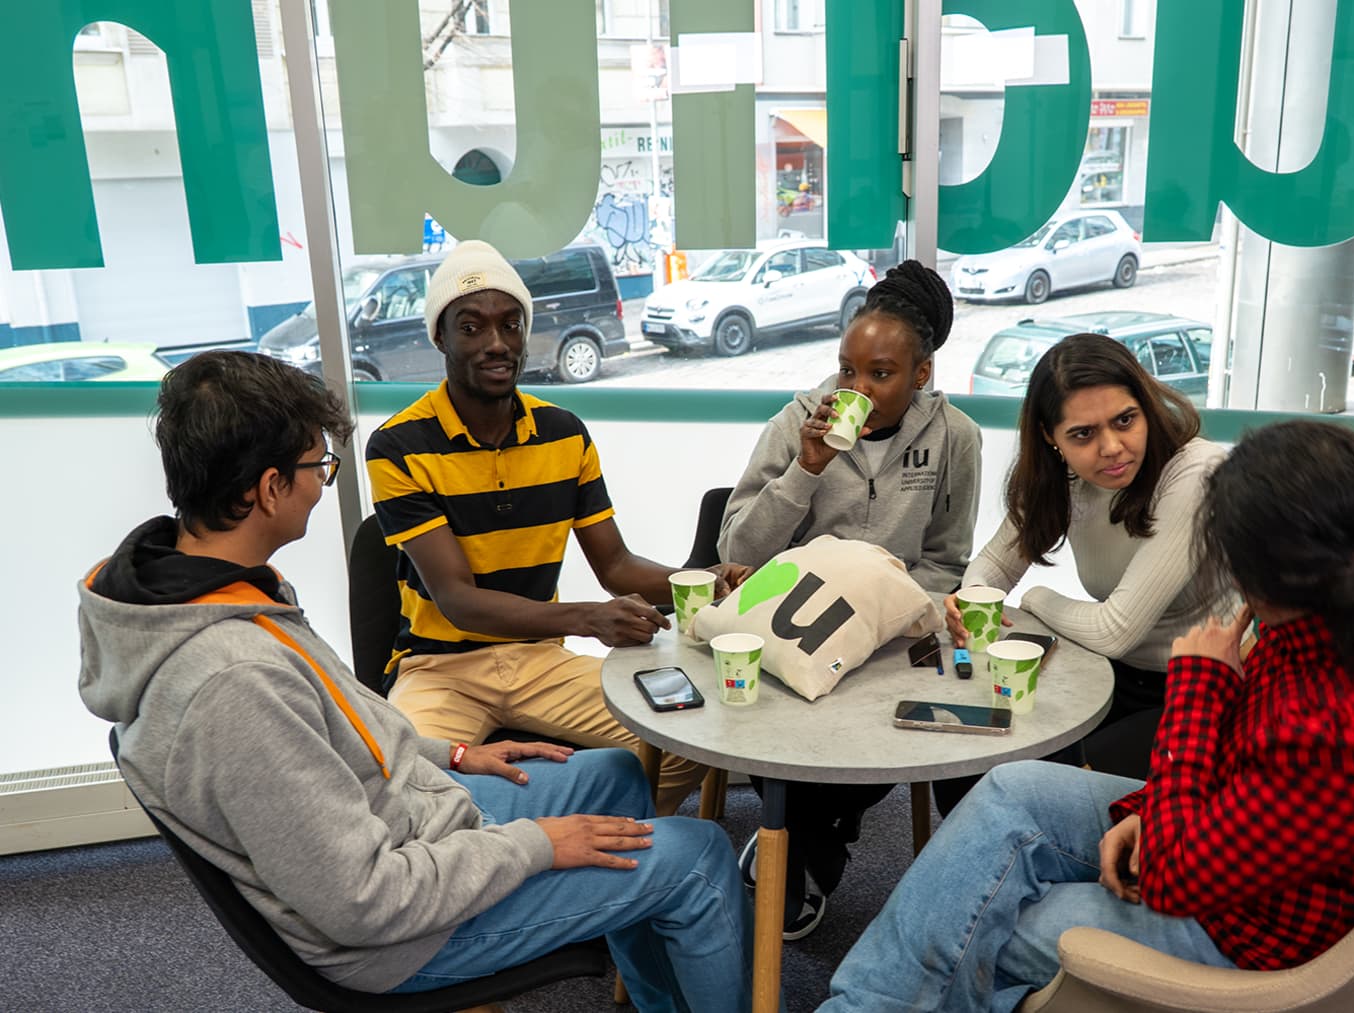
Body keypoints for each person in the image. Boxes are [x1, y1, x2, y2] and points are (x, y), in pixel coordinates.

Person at [77, 352, 750, 1007]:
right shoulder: (233, 683)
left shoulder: (214, 589)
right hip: (404, 933)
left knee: (617, 775)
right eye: (318, 465)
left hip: (412, 819)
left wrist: (449, 754)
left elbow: (335, 728)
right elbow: (364, 901)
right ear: (270, 487)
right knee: (699, 855)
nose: (323, 483)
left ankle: (663, 997)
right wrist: (537, 845)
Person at [821, 419, 1354, 1012]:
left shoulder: (1339, 729)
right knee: (1013, 788)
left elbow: (1179, 873)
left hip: (1279, 947)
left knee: (998, 924)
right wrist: (1151, 811)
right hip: (1279, 870)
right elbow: (1251, 778)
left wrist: (1199, 686)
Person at [365, 240, 747, 815]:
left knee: (688, 742)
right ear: (440, 337)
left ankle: (590, 843)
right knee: (401, 787)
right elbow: (458, 600)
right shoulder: (397, 444)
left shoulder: (564, 432)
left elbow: (616, 566)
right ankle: (535, 844)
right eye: (471, 327)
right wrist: (587, 618)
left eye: (510, 324)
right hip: (440, 668)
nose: (497, 342)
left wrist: (705, 581)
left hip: (539, 660)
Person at [718, 259, 981, 940]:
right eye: (846, 370)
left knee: (902, 729)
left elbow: (946, 559)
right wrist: (806, 470)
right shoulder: (797, 423)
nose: (855, 389)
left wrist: (898, 615)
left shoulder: (956, 438)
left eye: (880, 374)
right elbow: (739, 548)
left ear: (921, 374)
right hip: (797, 620)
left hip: (893, 629)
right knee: (772, 720)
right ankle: (813, 840)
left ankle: (803, 838)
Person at [945, 332, 1226, 789]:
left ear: (1147, 406)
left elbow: (1115, 631)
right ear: (1050, 437)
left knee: (1035, 778)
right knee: (972, 756)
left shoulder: (1195, 473)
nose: (1111, 447)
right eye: (1083, 434)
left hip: (1205, 690)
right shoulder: (1063, 478)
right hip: (1112, 677)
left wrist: (1034, 597)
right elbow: (991, 566)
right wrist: (973, 600)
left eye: (1125, 420)